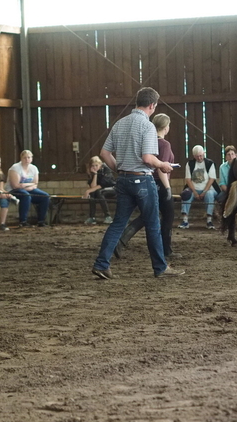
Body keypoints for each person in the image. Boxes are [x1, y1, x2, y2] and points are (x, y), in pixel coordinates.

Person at [92, 86, 184, 279]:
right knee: (153, 225)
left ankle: (101, 264)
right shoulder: (147, 126)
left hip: (124, 180)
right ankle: (160, 268)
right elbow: (147, 158)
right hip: (142, 180)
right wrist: (163, 165)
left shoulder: (120, 123)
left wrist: (119, 168)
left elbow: (104, 154)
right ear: (152, 105)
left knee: (118, 223)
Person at [114, 113, 179, 259]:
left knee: (146, 216)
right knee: (168, 217)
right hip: (160, 184)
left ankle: (122, 239)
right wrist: (168, 188)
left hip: (147, 181)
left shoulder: (148, 140)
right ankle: (166, 250)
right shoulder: (164, 144)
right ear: (166, 127)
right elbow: (161, 168)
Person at [178, 145, 218, 229]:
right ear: (194, 156)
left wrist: (204, 192)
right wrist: (195, 192)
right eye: (197, 156)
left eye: (201, 155)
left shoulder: (210, 163)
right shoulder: (190, 164)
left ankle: (209, 220)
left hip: (207, 189)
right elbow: (188, 179)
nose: (199, 158)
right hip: (194, 188)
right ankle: (185, 220)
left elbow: (212, 179)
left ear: (204, 153)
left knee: (210, 194)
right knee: (186, 194)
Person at [8, 149, 50, 227]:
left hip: (28, 189)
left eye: (28, 157)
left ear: (31, 158)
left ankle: (41, 221)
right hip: (14, 190)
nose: (27, 159)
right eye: (25, 158)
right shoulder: (15, 167)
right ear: (21, 158)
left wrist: (24, 185)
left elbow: (35, 184)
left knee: (45, 196)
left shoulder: (34, 168)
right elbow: (15, 185)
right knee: (26, 195)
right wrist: (29, 185)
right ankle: (23, 221)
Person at [83, 156, 115, 225]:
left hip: (112, 188)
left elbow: (102, 184)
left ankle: (108, 216)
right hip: (100, 190)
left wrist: (88, 191)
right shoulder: (92, 172)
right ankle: (92, 217)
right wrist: (95, 174)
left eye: (96, 165)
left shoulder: (106, 170)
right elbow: (93, 186)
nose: (94, 167)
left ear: (100, 165)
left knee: (98, 191)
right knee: (94, 192)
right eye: (93, 165)